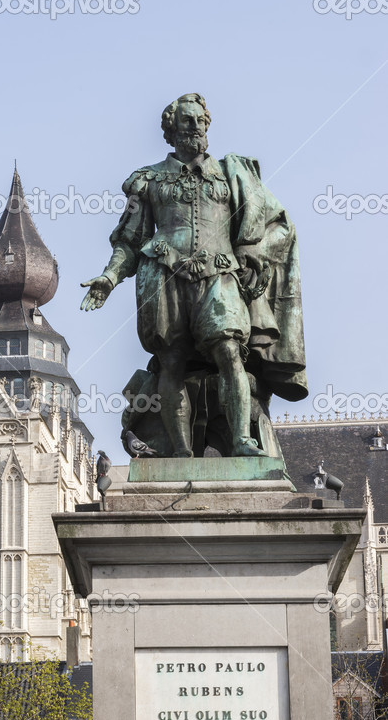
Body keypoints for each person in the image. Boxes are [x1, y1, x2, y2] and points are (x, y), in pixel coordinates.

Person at [81, 93, 307, 458]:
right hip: (162, 274)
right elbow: (130, 240)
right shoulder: (148, 179)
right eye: (187, 120)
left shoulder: (232, 174)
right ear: (171, 130)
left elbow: (276, 224)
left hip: (220, 272)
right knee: (171, 361)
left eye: (201, 120)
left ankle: (241, 440)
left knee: (230, 351)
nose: (196, 126)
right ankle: (181, 452)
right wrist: (109, 277)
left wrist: (252, 251)